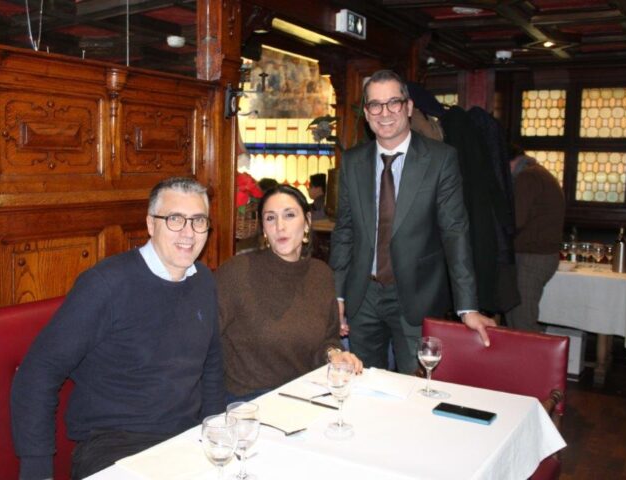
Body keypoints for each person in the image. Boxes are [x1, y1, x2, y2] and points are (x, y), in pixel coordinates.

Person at [11, 177, 224, 480]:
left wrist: (215, 430)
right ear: (151, 224)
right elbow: (38, 371)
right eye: (175, 219)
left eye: (198, 220)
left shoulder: (202, 280)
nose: (188, 233)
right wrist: (37, 471)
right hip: (113, 445)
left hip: (184, 441)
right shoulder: (106, 284)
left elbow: (211, 362)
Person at [330, 70, 495, 374]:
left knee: (415, 386)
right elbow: (345, 231)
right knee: (364, 385)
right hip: (362, 296)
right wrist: (337, 295)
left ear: (408, 107)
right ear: (366, 113)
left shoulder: (440, 159)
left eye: (393, 102)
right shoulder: (353, 161)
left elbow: (455, 232)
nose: (385, 113)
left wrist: (467, 307)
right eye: (375, 105)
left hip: (417, 295)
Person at [216, 184, 362, 402]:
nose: (280, 227)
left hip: (307, 392)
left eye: (289, 215)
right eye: (270, 218)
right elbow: (204, 343)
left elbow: (327, 339)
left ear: (307, 221)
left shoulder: (321, 275)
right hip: (252, 399)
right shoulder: (235, 273)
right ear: (263, 229)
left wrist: (334, 354)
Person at [505, 145, 565, 332]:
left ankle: (532, 352)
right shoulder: (537, 173)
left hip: (533, 257)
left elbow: (515, 220)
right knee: (516, 315)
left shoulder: (527, 177)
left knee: (522, 319)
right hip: (540, 255)